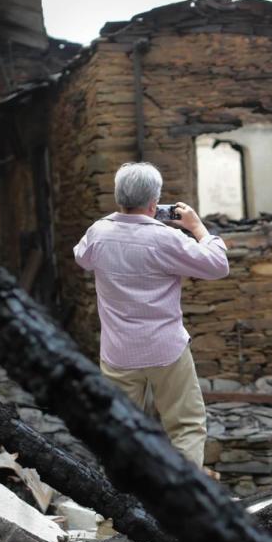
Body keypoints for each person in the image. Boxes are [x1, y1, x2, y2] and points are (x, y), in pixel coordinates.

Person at [73, 162, 229, 467]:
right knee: (185, 426)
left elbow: (82, 257)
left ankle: (122, 507)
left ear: (119, 197)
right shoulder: (166, 238)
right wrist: (196, 227)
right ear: (155, 203)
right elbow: (217, 265)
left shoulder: (98, 232)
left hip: (119, 352)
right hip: (166, 350)